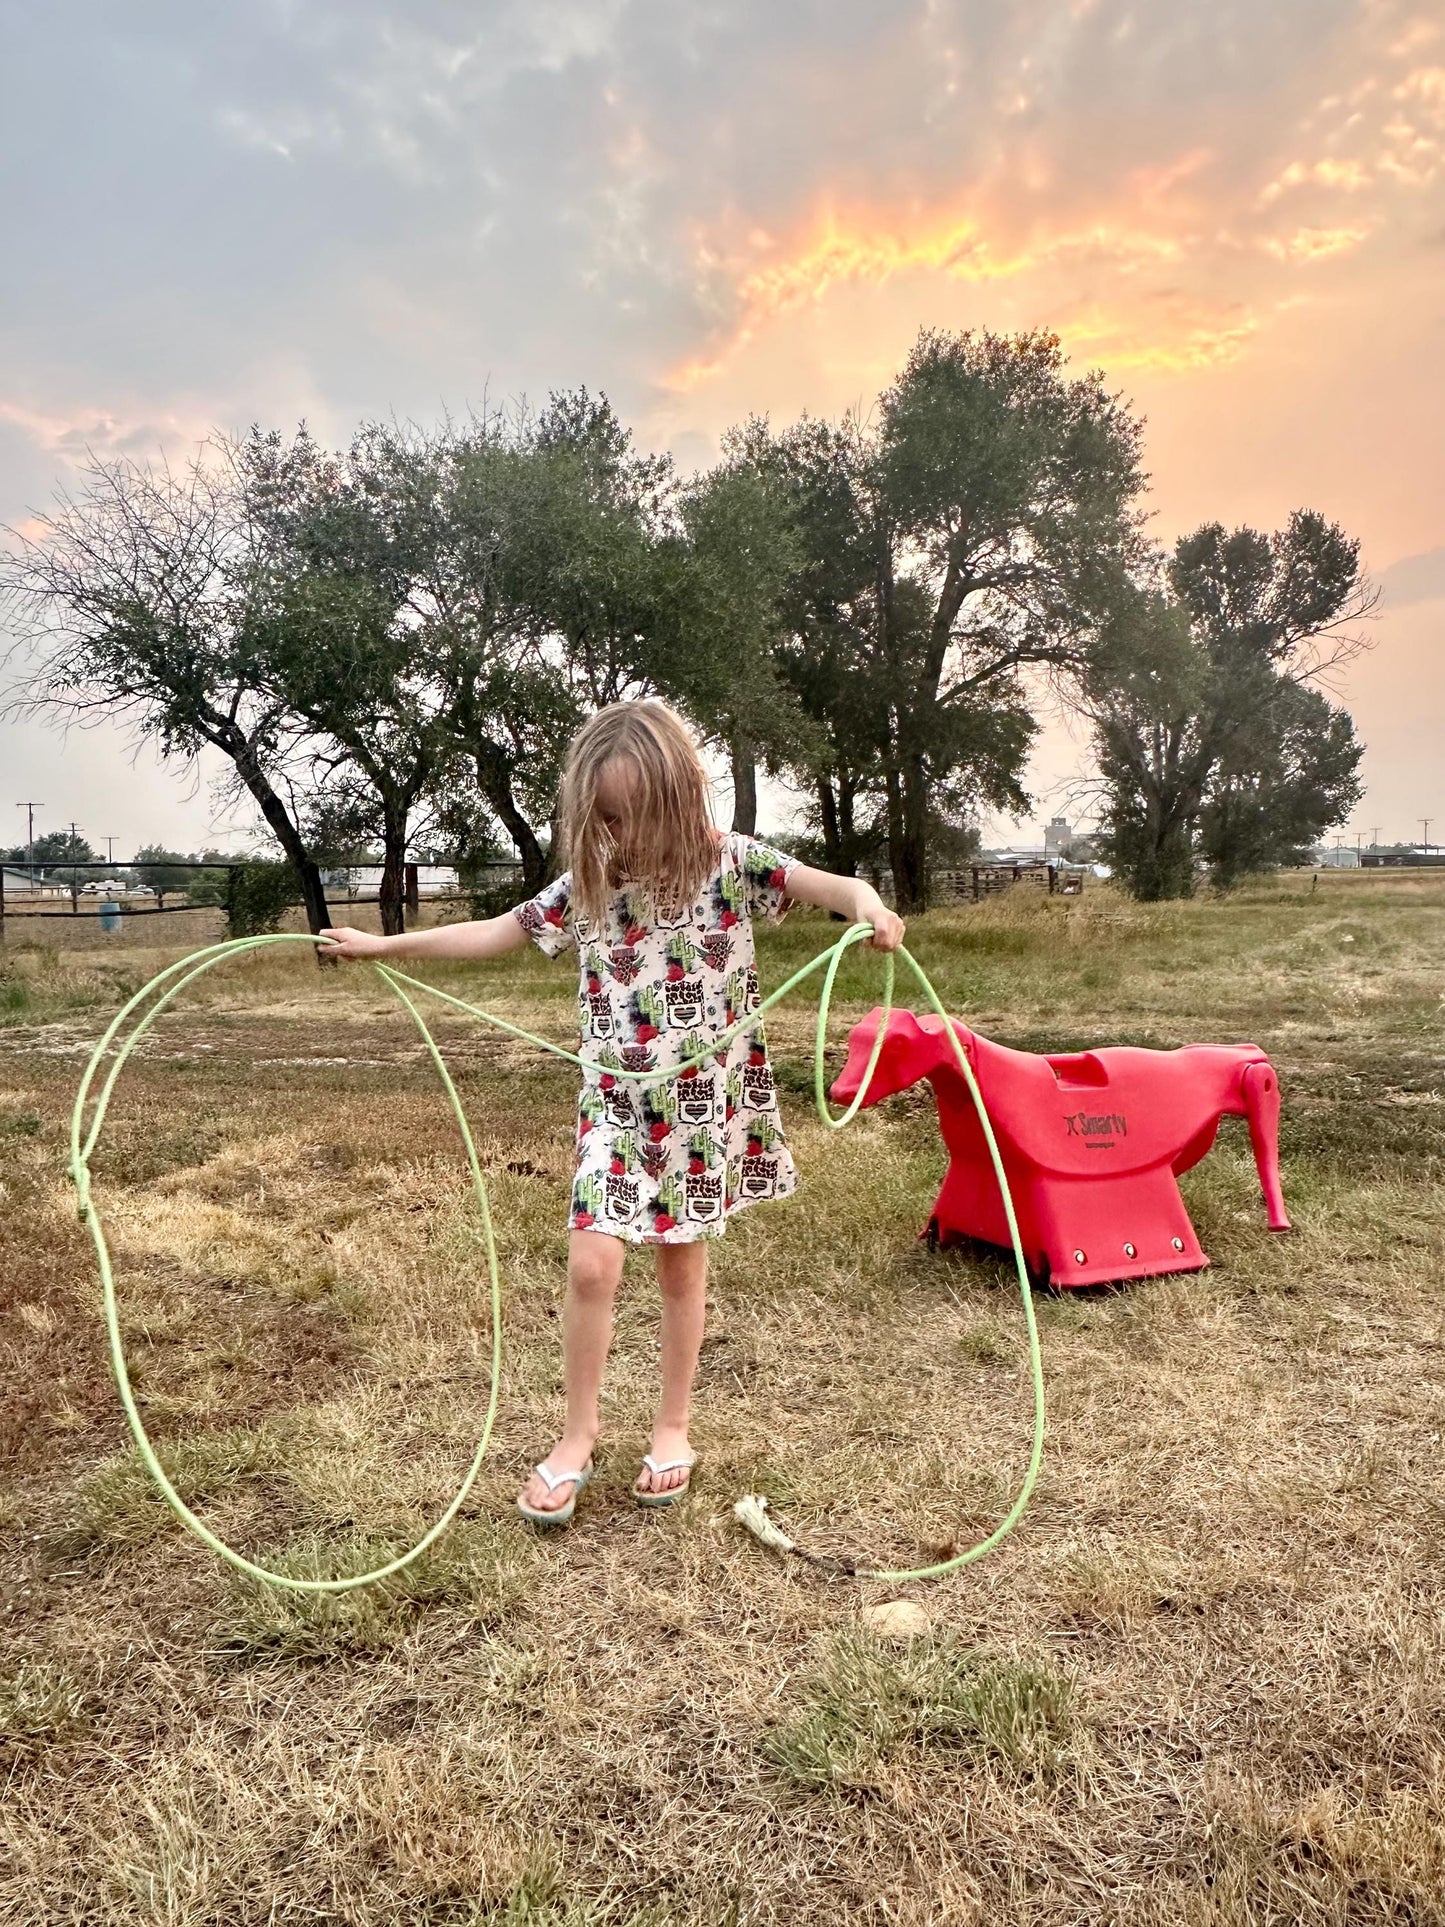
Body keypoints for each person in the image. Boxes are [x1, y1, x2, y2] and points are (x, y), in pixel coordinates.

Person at [320, 699, 905, 1526]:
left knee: (679, 1266)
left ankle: (672, 1425)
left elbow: (834, 886)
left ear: (676, 794)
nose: (620, 834)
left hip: (701, 1113)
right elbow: (497, 931)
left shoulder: (733, 864)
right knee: (592, 1263)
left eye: (633, 814)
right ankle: (577, 1434)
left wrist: (873, 910)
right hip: (615, 1108)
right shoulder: (591, 887)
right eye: (605, 817)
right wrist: (384, 946)